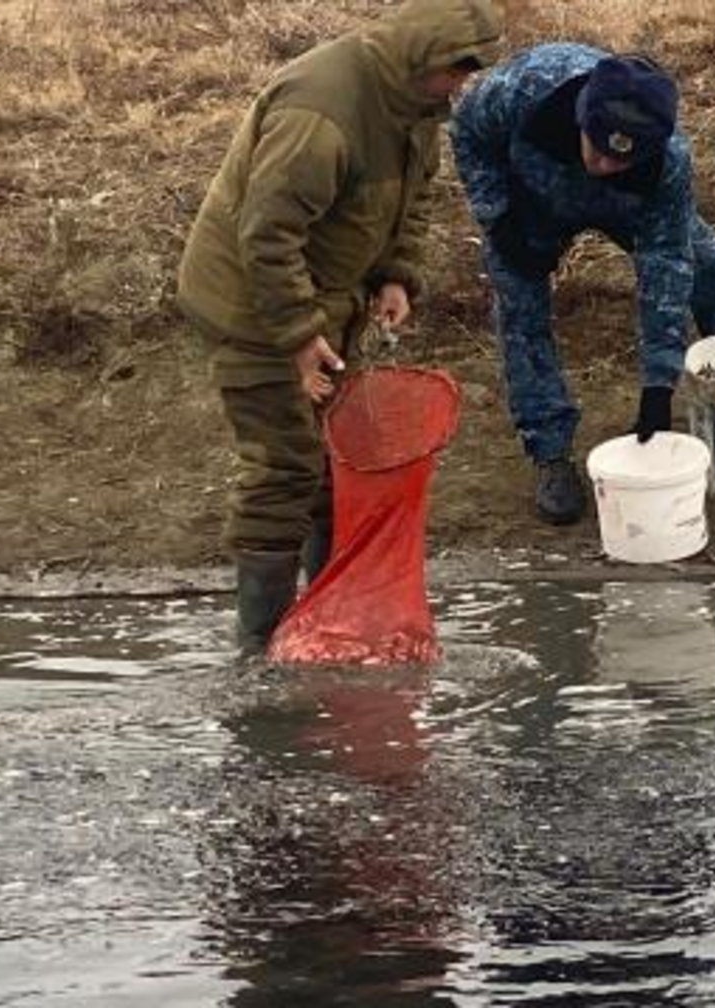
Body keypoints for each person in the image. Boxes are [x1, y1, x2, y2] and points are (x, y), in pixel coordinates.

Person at [175, 0, 502, 655]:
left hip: (329, 298)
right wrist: (298, 336)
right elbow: (266, 236)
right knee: (285, 469)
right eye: (456, 72)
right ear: (423, 56)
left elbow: (413, 200)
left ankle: (329, 621)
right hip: (252, 306)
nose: (462, 87)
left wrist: (394, 274)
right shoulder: (320, 112)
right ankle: (260, 647)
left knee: (334, 464)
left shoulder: (415, 107)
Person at [449, 44, 715, 526]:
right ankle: (550, 453)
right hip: (532, 201)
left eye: (622, 160)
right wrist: (498, 215)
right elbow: (467, 131)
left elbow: (666, 265)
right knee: (518, 304)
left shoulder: (667, 161)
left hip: (625, 208)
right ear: (582, 115)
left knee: (713, 266)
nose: (605, 165)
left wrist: (659, 380)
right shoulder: (525, 90)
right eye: (599, 147)